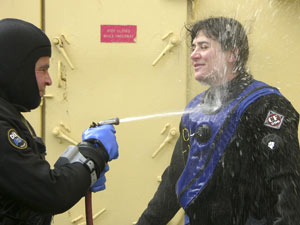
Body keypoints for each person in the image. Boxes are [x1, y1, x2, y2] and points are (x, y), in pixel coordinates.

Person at [136, 17, 300, 225]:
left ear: (233, 53)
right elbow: (174, 179)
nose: (194, 55)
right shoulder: (197, 109)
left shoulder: (267, 105)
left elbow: (287, 188)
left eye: (203, 47)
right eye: (193, 47)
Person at [0, 18, 119, 224]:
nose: (49, 80)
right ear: (16, 69)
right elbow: (49, 193)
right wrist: (95, 153)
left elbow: (26, 186)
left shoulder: (9, 114)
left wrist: (75, 167)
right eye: (42, 69)